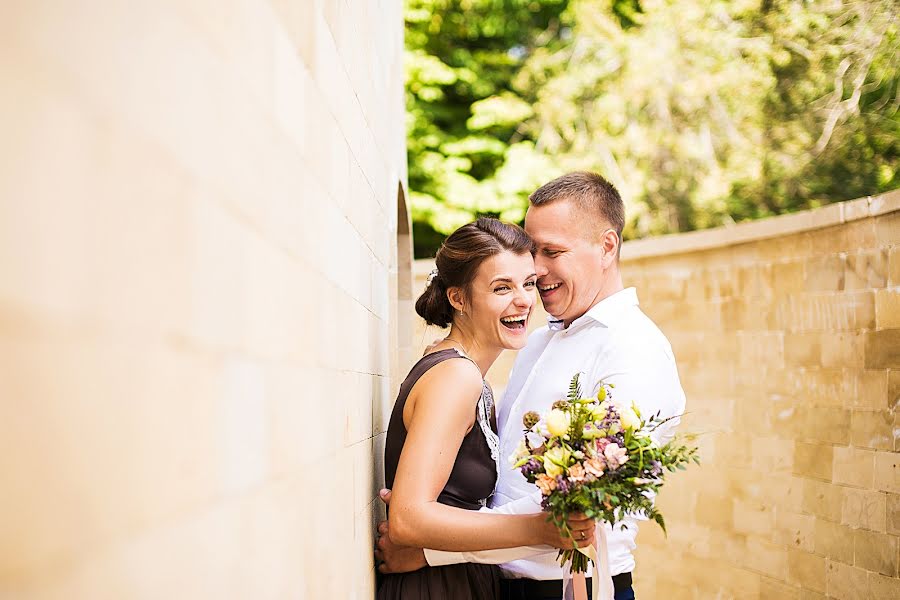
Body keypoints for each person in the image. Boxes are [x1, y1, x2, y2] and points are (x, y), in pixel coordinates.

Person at [376, 173, 687, 600]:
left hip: (566, 588)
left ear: (607, 246)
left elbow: (586, 511)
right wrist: (431, 508)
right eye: (533, 249)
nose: (537, 270)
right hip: (494, 586)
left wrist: (433, 549)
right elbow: (500, 478)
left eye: (552, 252)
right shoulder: (537, 340)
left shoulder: (635, 349)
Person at [377, 216, 596, 600]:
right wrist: (542, 529)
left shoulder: (464, 371)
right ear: (458, 298)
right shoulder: (455, 377)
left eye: (528, 283)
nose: (524, 300)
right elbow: (408, 519)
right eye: (501, 288)